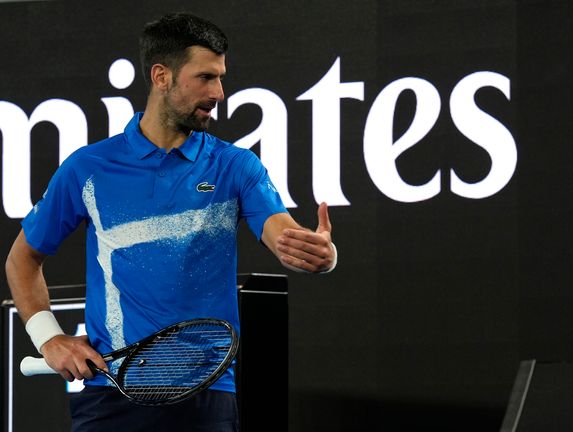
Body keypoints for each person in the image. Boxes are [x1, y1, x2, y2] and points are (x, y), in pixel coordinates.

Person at [4, 12, 337, 431]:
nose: (218, 92)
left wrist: (317, 253)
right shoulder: (88, 169)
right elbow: (22, 260)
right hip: (113, 395)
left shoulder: (236, 167)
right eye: (205, 77)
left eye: (221, 77)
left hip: (208, 394)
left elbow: (282, 232)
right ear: (162, 76)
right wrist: (49, 339)